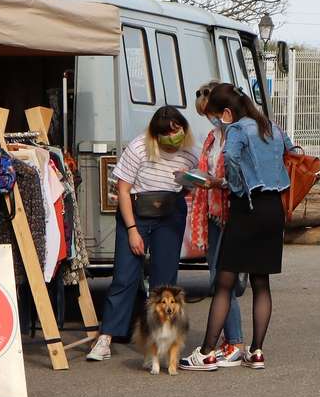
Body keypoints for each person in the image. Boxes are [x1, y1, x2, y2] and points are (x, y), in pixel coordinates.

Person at [186, 83, 294, 371]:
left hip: (247, 207)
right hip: (274, 209)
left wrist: (233, 183)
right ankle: (256, 351)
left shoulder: (236, 129)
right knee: (261, 282)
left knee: (224, 281)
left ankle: (207, 352)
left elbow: (232, 157)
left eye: (215, 114)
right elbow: (293, 151)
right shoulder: (269, 125)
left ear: (226, 112)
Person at [85, 107, 198, 362]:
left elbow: (191, 185)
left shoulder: (191, 152)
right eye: (167, 134)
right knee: (125, 276)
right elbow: (122, 191)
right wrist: (133, 230)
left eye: (177, 131)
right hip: (136, 211)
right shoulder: (138, 148)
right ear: (155, 135)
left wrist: (192, 182)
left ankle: (161, 343)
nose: (173, 138)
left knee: (165, 281)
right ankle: (106, 337)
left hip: (170, 214)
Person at [190, 82, 247, 366]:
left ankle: (235, 342)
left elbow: (240, 178)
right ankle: (231, 340)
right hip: (213, 212)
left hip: (233, 213)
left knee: (223, 280)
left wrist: (218, 182)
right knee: (218, 279)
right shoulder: (213, 138)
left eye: (210, 113)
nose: (209, 119)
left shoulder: (239, 135)